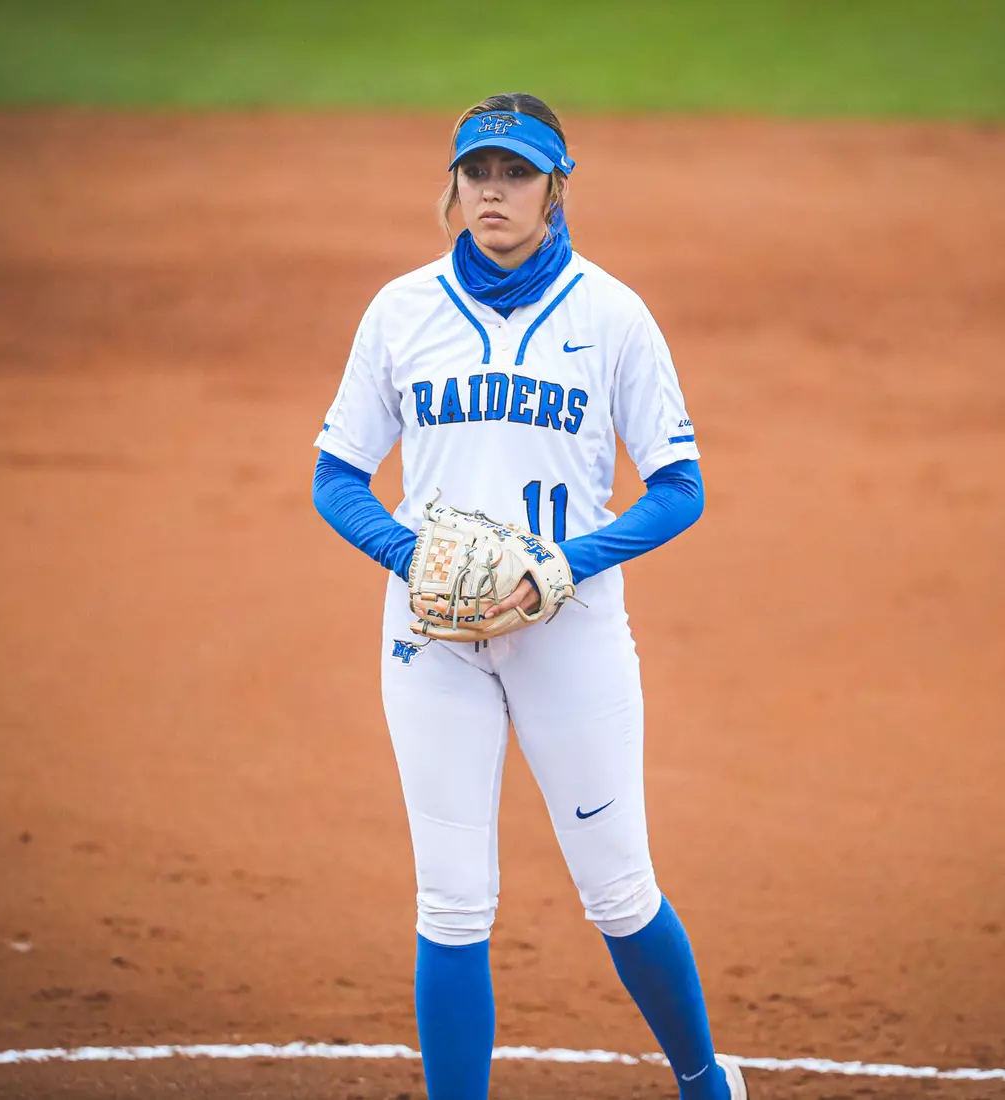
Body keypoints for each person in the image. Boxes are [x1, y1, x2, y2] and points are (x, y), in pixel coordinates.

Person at [311, 92, 745, 1100]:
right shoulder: (402, 311)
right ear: (454, 186)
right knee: (452, 904)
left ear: (557, 186)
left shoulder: (611, 315)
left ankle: (703, 1082)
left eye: (517, 173)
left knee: (618, 889)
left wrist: (563, 566)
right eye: (478, 172)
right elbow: (337, 474)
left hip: (570, 632)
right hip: (435, 636)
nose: (494, 192)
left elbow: (680, 486)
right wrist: (408, 554)